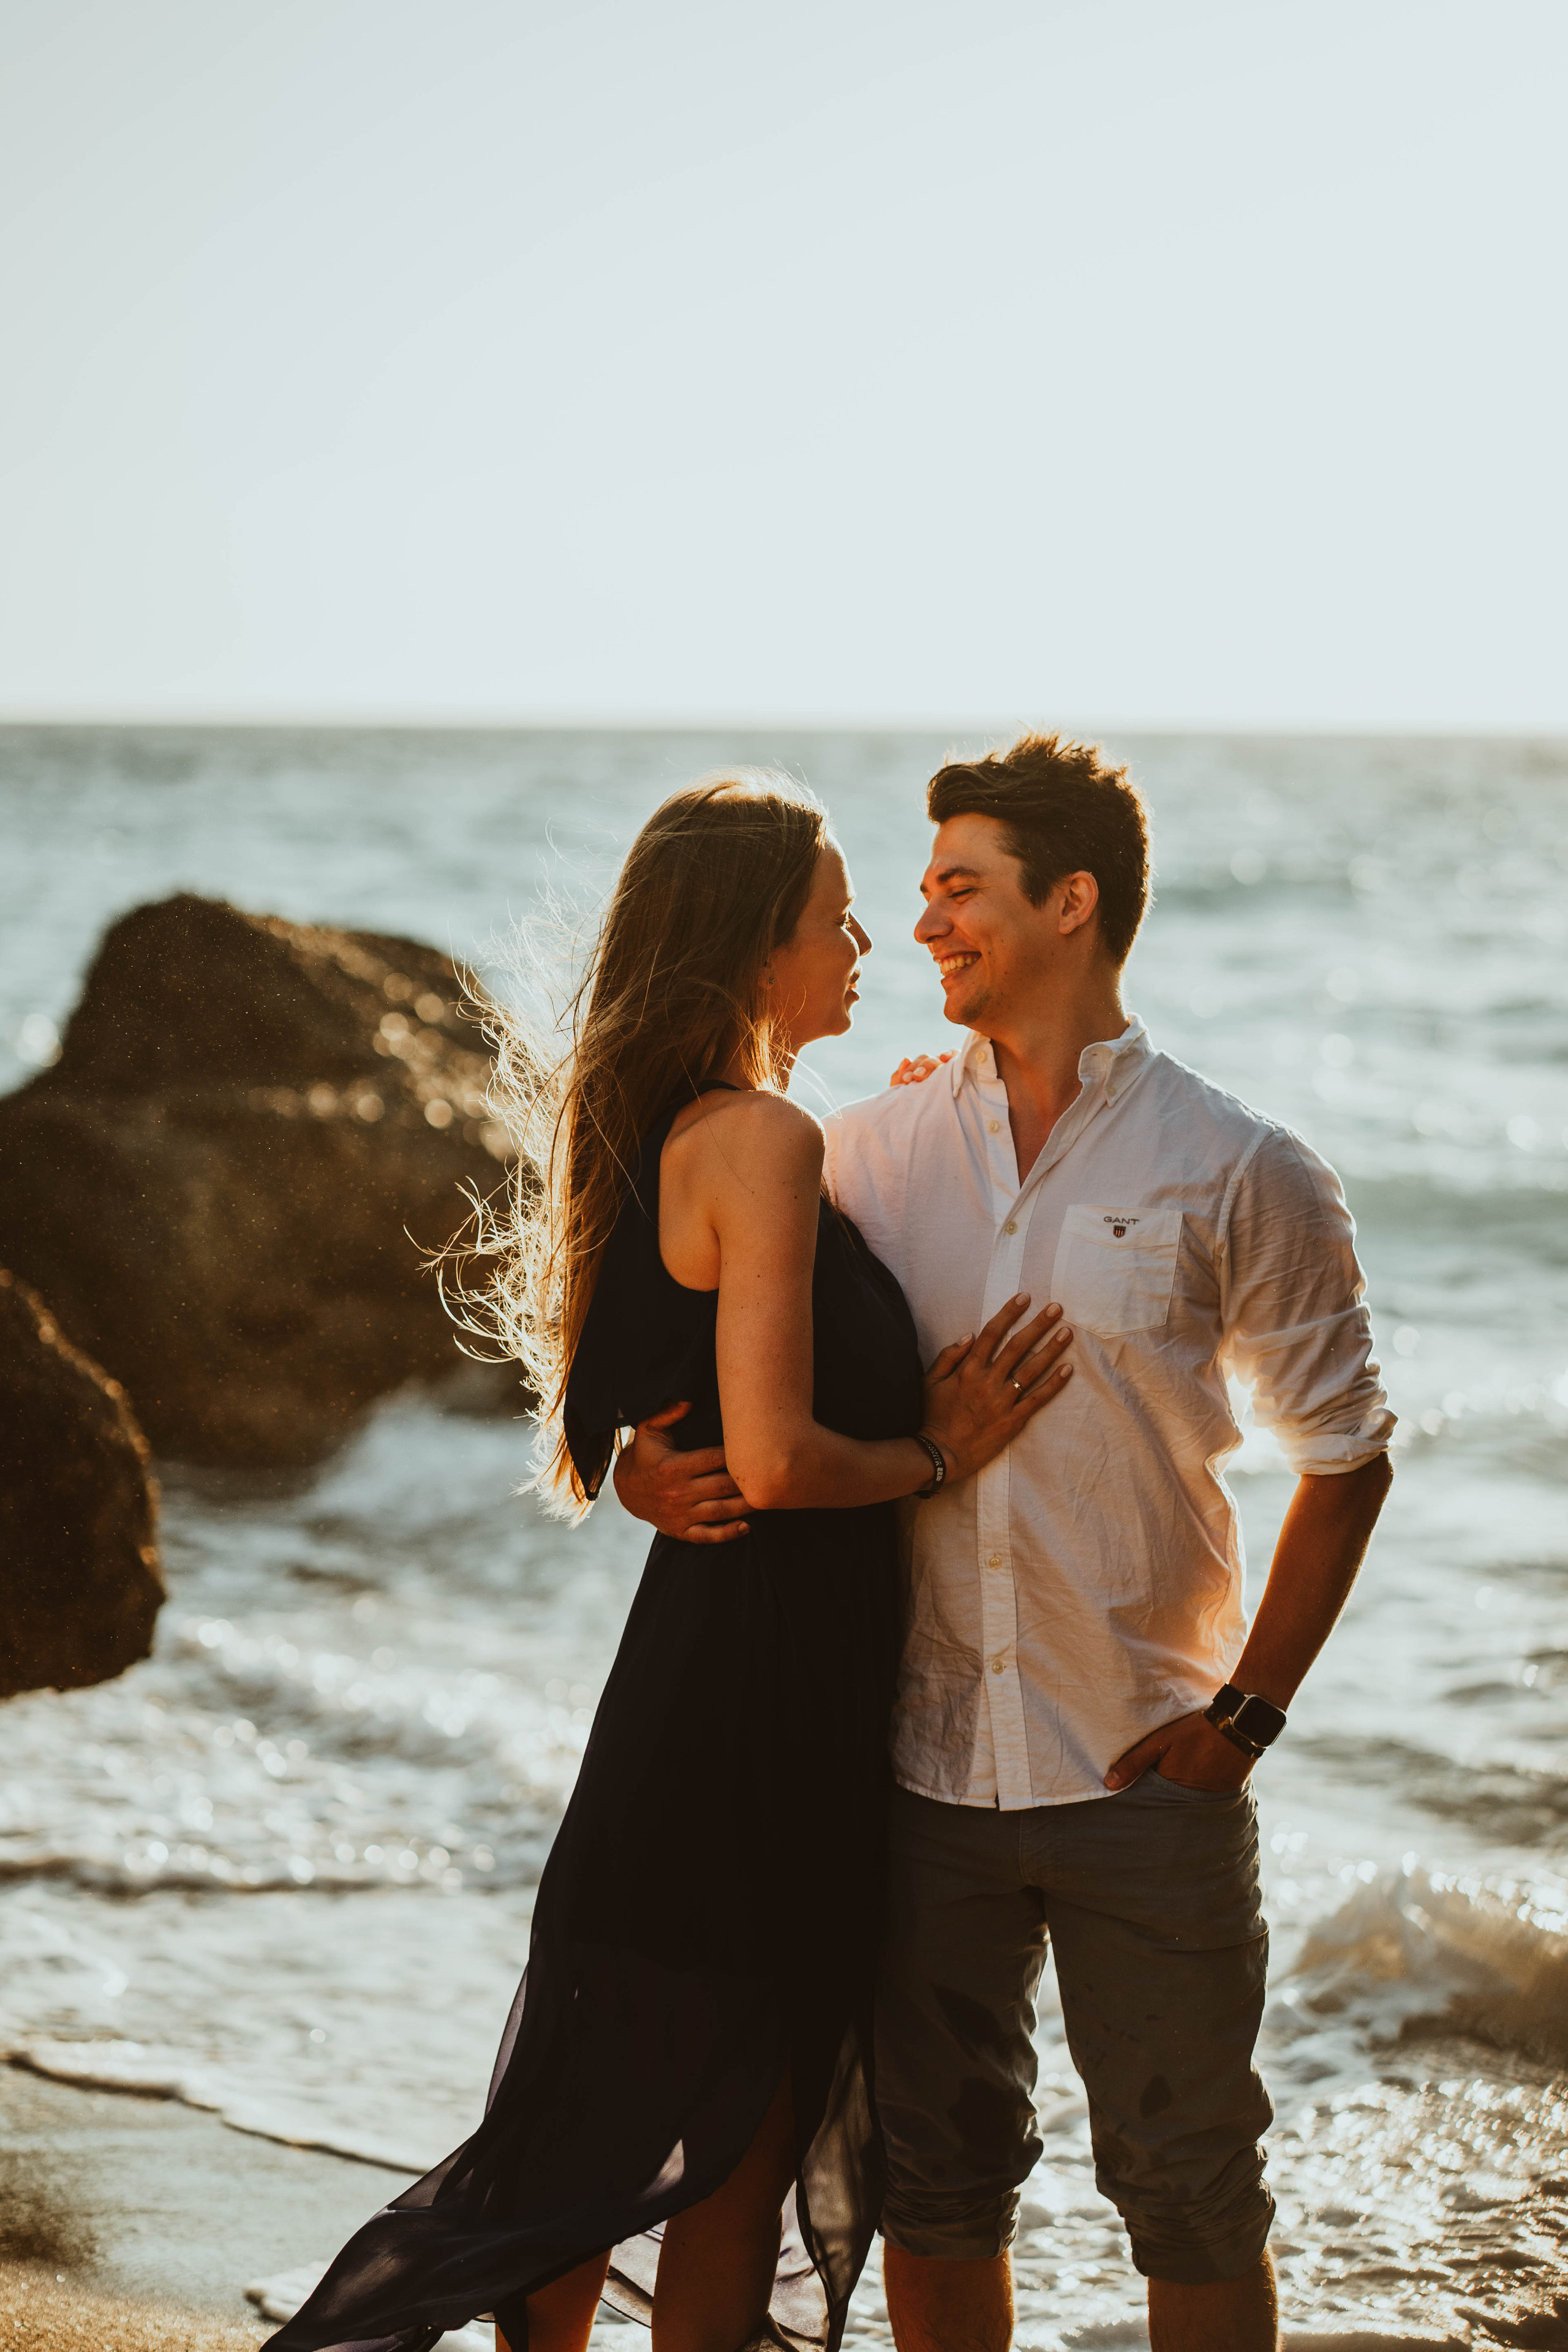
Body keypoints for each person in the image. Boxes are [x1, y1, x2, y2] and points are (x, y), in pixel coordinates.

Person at [261, 773, 1076, 2352]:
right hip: (751, 1712)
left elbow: (688, 1406)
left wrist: (927, 1126)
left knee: (615, 2134)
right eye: (836, 917)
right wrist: (939, 1449)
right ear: (753, 942)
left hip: (723, 1686)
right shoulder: (760, 1139)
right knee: (719, 2153)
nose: (865, 943)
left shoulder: (687, 1135)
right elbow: (773, 1461)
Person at [616, 733, 1395, 2352]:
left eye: (960, 889)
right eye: (918, 893)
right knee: (936, 2190)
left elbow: (1346, 1458)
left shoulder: (1241, 1168)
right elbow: (724, 1352)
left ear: (1073, 902)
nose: (924, 925)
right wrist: (642, 1463)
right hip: (912, 1780)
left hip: (1144, 1775)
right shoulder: (862, 1152)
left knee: (1193, 2193)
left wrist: (1244, 1718)